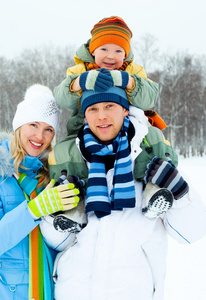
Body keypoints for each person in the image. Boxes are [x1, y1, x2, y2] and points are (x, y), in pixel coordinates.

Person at [40, 87, 206, 300]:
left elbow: (191, 233)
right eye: (93, 108)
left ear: (125, 110)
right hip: (75, 291)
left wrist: (180, 193)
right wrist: (52, 214)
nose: (101, 115)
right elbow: (60, 243)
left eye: (110, 106)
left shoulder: (149, 160)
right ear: (85, 116)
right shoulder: (73, 164)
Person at [51, 16, 172, 230]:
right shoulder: (78, 70)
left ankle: (153, 189)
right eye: (104, 49)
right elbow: (62, 97)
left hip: (126, 126)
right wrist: (82, 81)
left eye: (118, 51)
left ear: (126, 54)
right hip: (83, 128)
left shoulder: (133, 70)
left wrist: (125, 80)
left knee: (152, 142)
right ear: (93, 51)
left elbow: (149, 96)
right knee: (65, 153)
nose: (111, 56)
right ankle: (74, 205)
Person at [0, 84, 84, 300]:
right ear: (19, 124)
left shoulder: (53, 172)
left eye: (48, 129)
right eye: (33, 124)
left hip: (56, 289)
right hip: (12, 293)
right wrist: (36, 208)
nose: (40, 136)